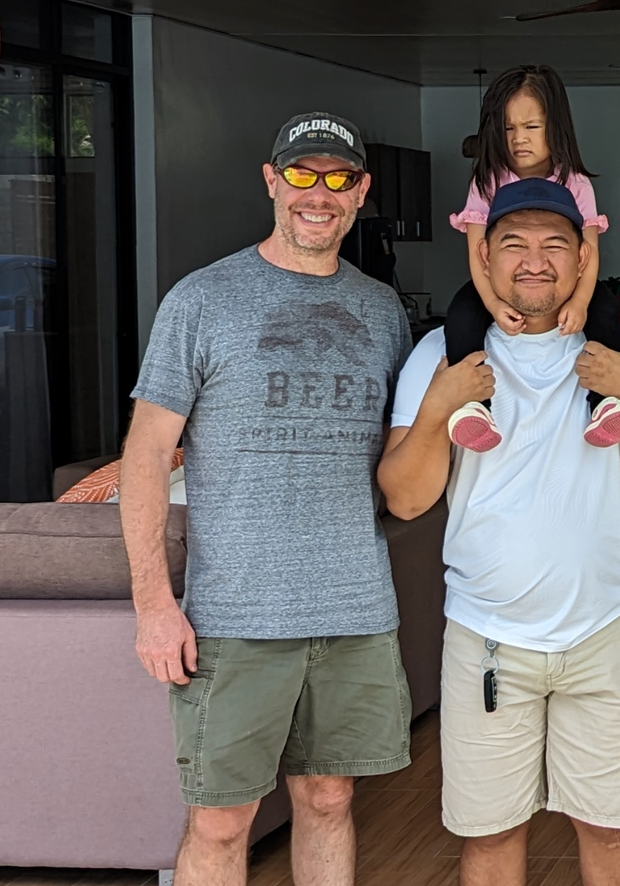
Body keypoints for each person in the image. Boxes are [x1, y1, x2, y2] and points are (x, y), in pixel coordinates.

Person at [120, 112, 414, 885]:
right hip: (234, 615)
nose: (318, 195)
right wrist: (154, 602)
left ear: (361, 194)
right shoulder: (203, 299)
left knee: (328, 798)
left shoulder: (383, 311)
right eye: (302, 175)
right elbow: (147, 452)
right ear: (271, 181)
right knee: (220, 824)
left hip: (354, 607)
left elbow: (400, 455)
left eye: (338, 178)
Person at [377, 178, 620, 885]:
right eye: (514, 243)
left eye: (555, 243)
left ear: (584, 258)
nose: (535, 260)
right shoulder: (441, 355)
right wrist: (439, 409)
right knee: (490, 841)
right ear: (484, 257)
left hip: (605, 632)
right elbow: (404, 498)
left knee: (613, 835)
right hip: (488, 636)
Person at [442, 64, 620, 452]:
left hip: (569, 280)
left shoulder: (575, 182)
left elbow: (589, 252)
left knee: (603, 312)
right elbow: (478, 256)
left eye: (531, 127)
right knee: (461, 316)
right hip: (495, 283)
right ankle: (472, 407)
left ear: (556, 127)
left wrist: (581, 300)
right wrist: (494, 303)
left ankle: (605, 402)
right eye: (508, 128)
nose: (519, 139)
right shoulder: (485, 181)